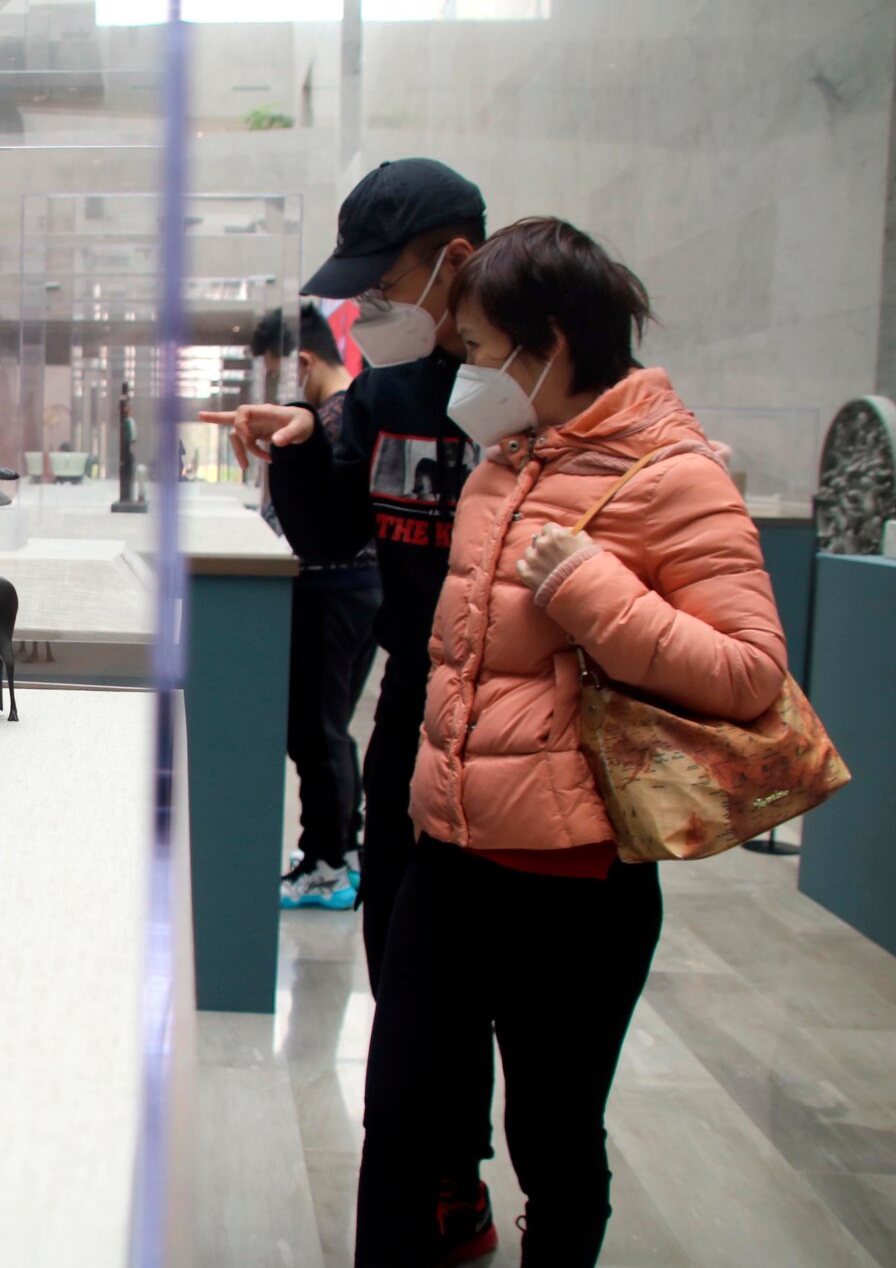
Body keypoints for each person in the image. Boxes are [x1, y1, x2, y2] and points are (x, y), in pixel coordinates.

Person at [354, 218, 789, 1266]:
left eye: (481, 348)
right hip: (448, 857)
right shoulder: (504, 461)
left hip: (575, 880)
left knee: (552, 1136)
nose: (467, 372)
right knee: (403, 1120)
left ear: (549, 342)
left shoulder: (674, 476)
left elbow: (749, 669)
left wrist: (592, 590)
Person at [201, 159, 501, 1260]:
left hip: (525, 723)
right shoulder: (381, 390)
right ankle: (438, 1178)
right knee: (405, 965)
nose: (366, 306)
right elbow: (335, 537)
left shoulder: (535, 383)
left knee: (486, 977)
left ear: (454, 260)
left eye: (386, 281)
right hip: (415, 709)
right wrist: (293, 451)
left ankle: (461, 1170)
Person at [246, 304, 380, 910]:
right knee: (324, 731)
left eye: (280, 372)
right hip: (342, 592)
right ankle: (334, 850)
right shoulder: (337, 414)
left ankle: (328, 863)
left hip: (334, 593)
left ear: (301, 361)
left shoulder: (338, 415)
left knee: (317, 732)